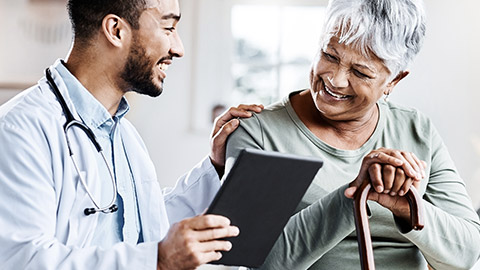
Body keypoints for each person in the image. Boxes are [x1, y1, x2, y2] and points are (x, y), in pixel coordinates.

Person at [0, 0, 264, 269]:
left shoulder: (123, 133)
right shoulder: (19, 129)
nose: (178, 49)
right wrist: (158, 261)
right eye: (168, 27)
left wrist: (214, 165)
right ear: (115, 30)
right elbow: (21, 260)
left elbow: (145, 230)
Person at [225, 0, 480, 269]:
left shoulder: (417, 130)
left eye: (360, 72)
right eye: (330, 55)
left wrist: (406, 206)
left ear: (394, 81)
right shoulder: (259, 133)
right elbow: (255, 262)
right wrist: (354, 194)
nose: (335, 79)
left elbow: (467, 253)